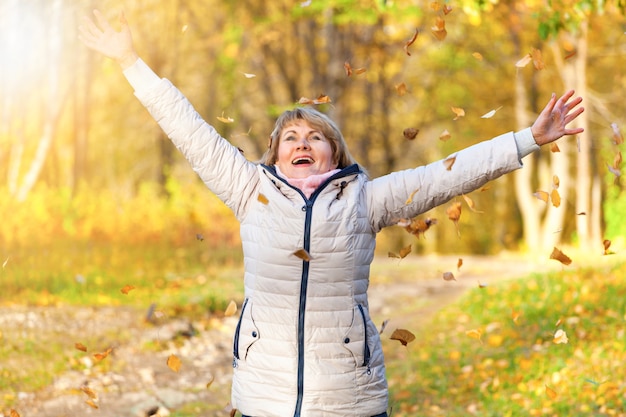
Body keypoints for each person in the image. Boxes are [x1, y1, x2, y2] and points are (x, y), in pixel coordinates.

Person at [79, 9, 584, 417]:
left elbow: (445, 174)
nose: (302, 143)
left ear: (334, 154)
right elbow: (187, 128)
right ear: (275, 155)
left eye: (315, 137)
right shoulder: (246, 188)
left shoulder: (364, 199)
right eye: (290, 139)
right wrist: (129, 62)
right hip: (264, 398)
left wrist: (528, 139)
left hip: (348, 398)